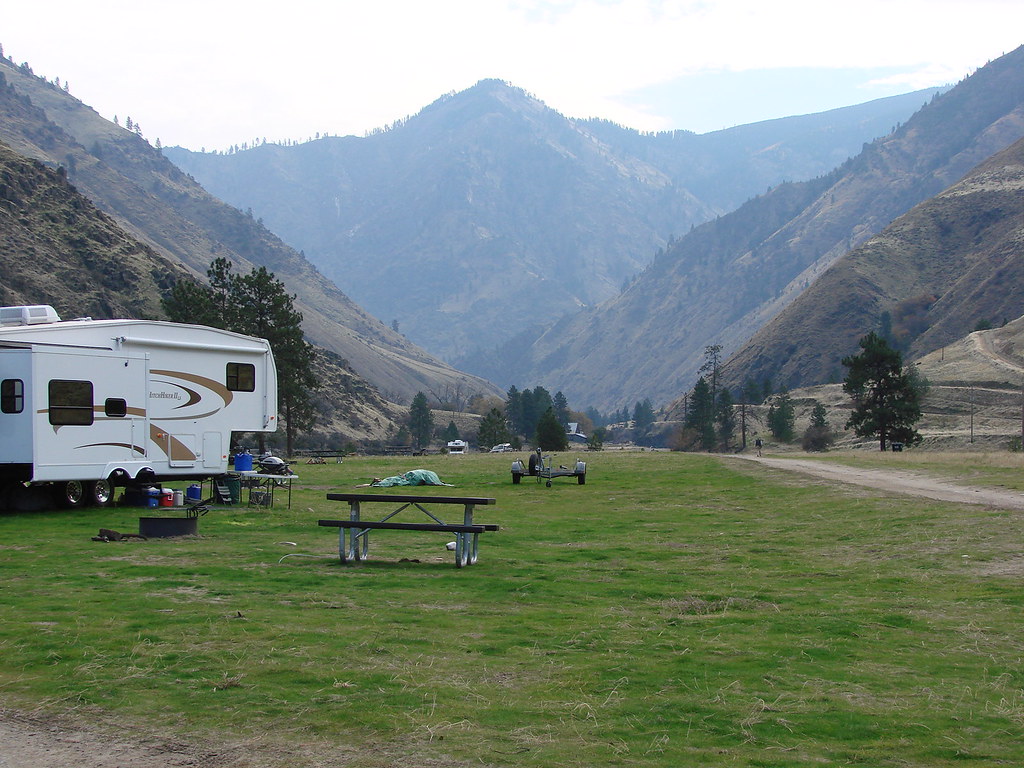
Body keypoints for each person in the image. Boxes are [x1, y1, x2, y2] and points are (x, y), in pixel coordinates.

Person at [355, 469, 453, 487]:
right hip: (407, 476)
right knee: (391, 481)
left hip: (407, 476)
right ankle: (373, 483)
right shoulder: (428, 475)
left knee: (391, 480)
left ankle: (373, 484)